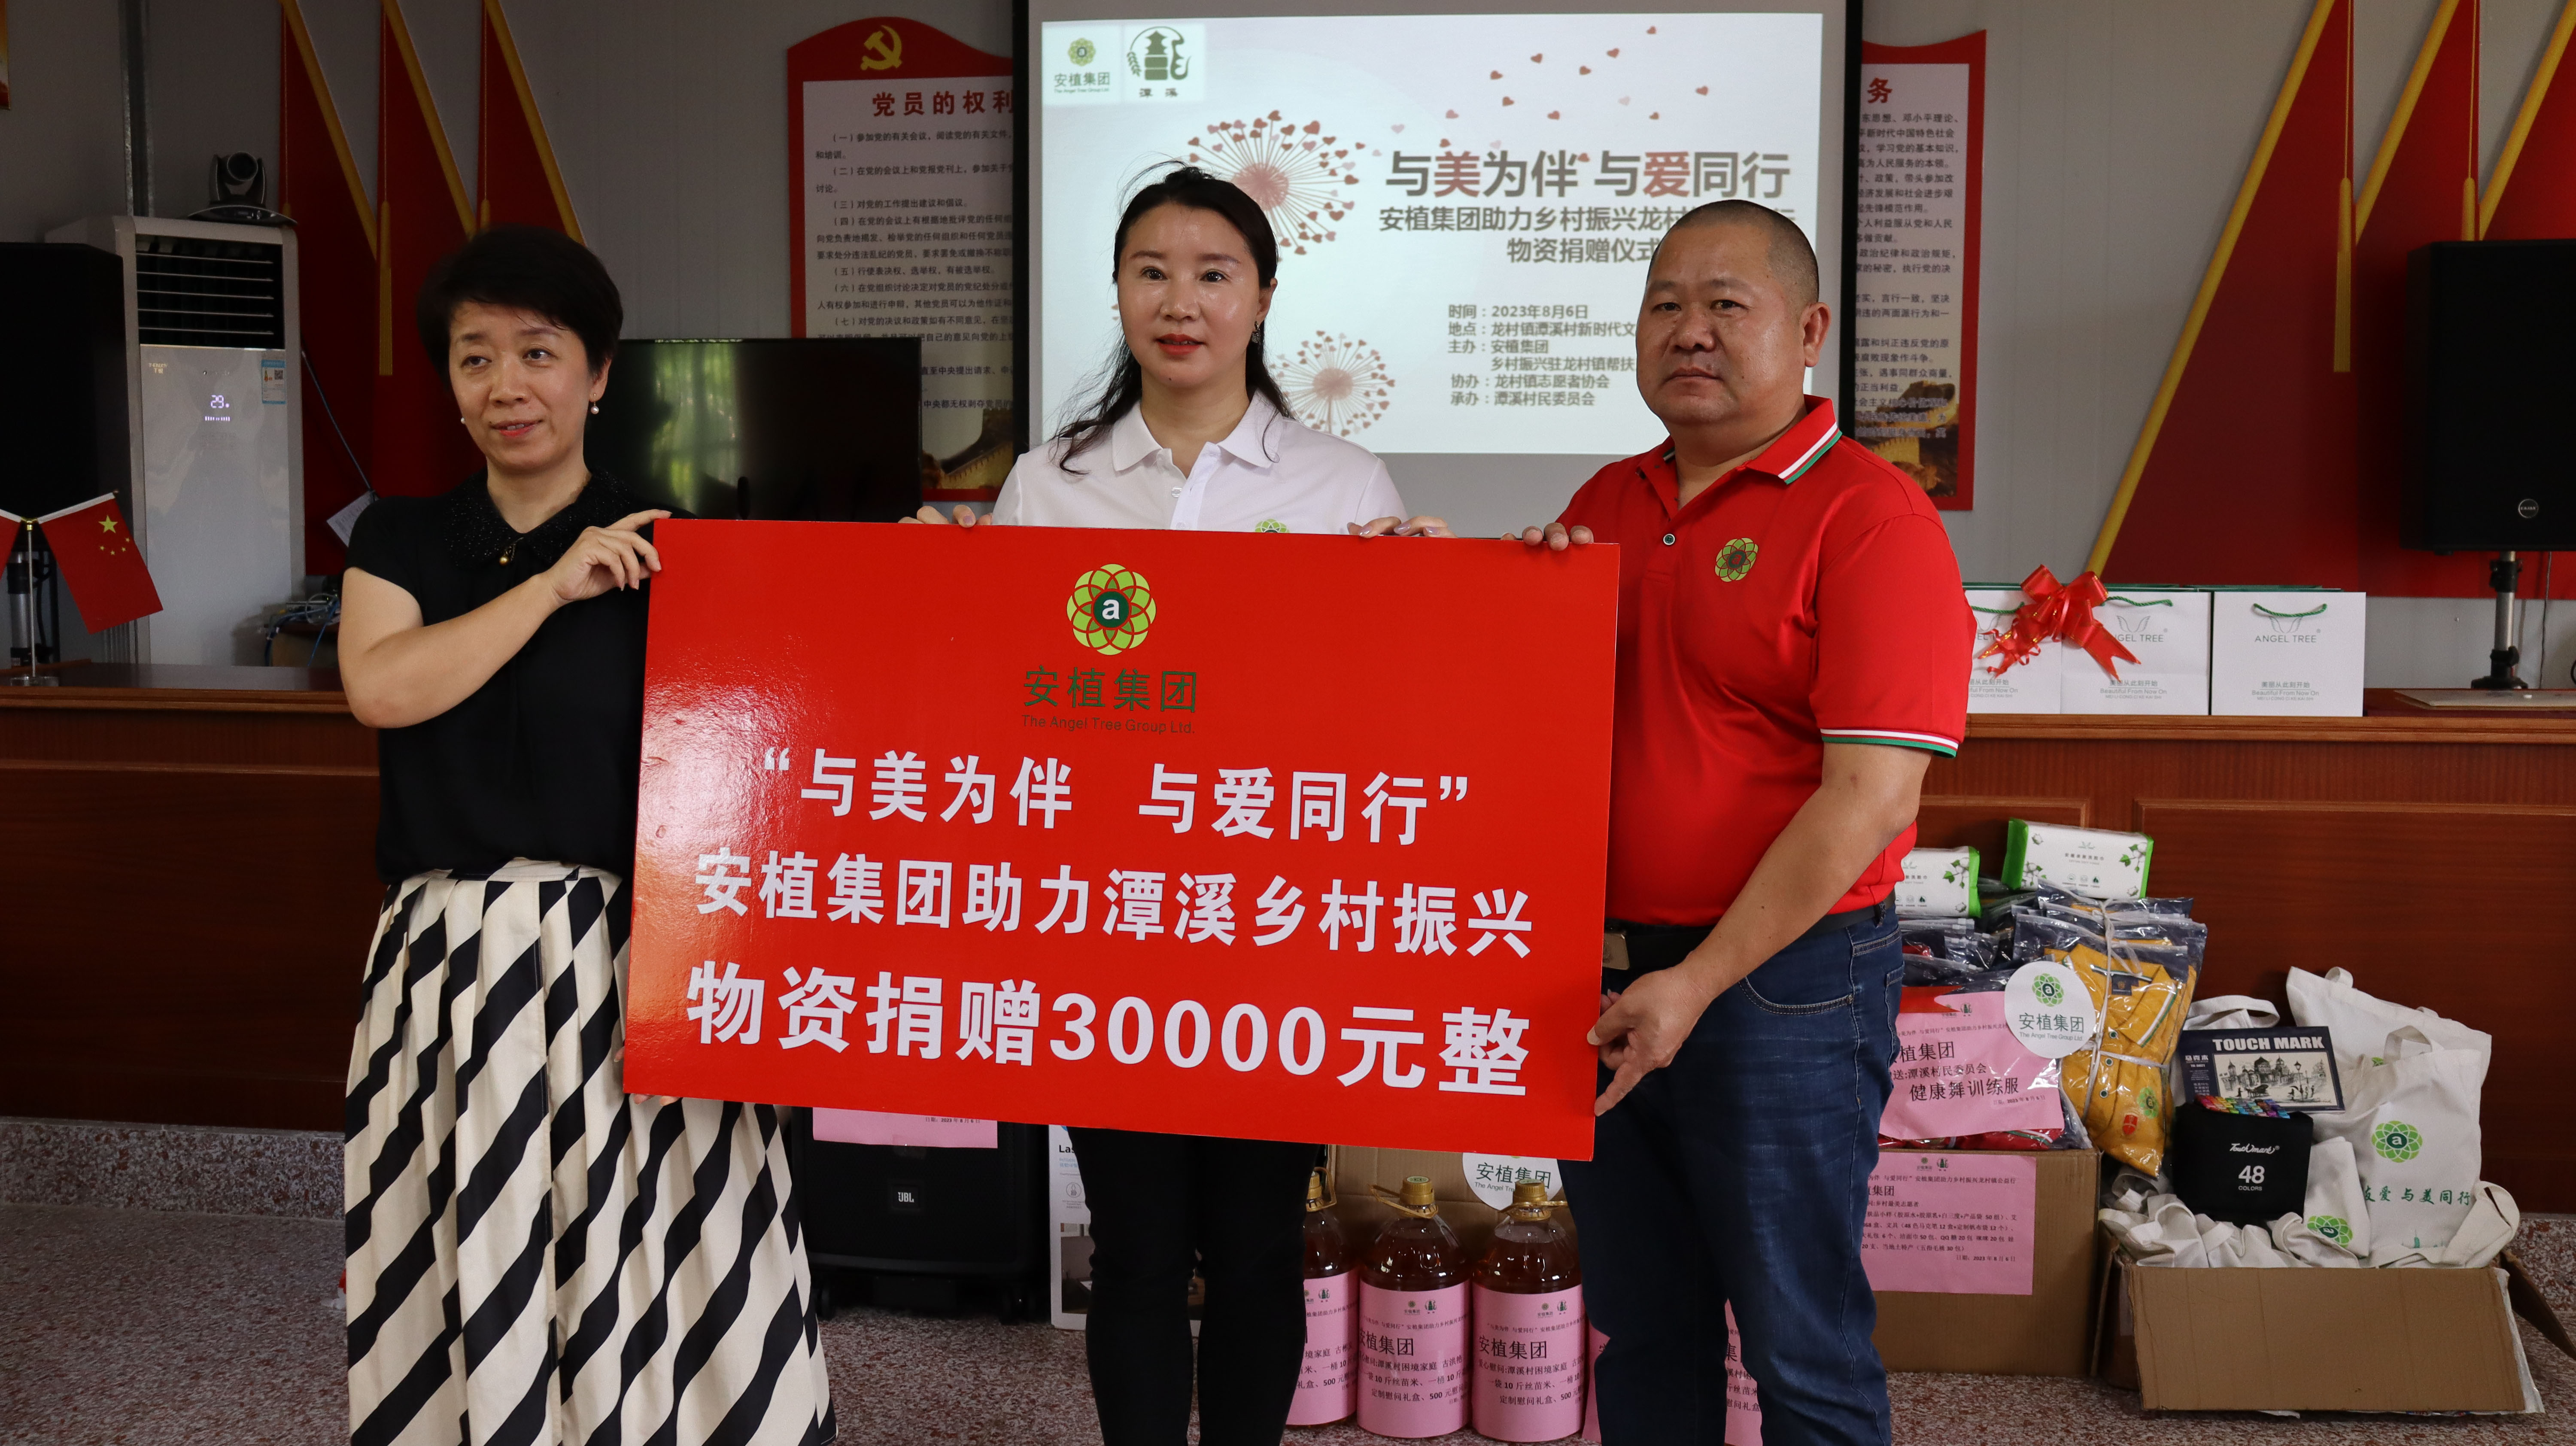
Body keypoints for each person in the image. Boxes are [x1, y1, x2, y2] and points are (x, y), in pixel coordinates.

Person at [911, 165, 1444, 1445]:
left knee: (1258, 1246)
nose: (1181, 301)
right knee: (1139, 1248)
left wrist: (1434, 598)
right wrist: (937, 588)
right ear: (1116, 292)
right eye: (1152, 271)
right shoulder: (1052, 482)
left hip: (1276, 924)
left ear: (1262, 298)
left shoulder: (1342, 483)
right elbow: (1006, 697)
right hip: (1109, 922)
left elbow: (1382, 708)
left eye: (1214, 274)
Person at [337, 225, 834, 1446]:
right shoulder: (400, 538)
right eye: (475, 358)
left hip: (641, 956)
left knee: (670, 1241)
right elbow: (384, 688)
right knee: (476, 1240)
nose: (507, 386)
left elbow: (785, 733)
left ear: (599, 373)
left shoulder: (682, 545)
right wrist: (554, 582)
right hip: (452, 963)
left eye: (539, 352)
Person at [1526, 200, 1972, 1445]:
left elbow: (1871, 798)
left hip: (1786, 987)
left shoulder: (1872, 518)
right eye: (1665, 304)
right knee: (1643, 1327)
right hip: (1605, 974)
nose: (1691, 331)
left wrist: (1699, 981)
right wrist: (1505, 597)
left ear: (1810, 330)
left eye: (1728, 304)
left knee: (1800, 1347)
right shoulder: (1609, 499)